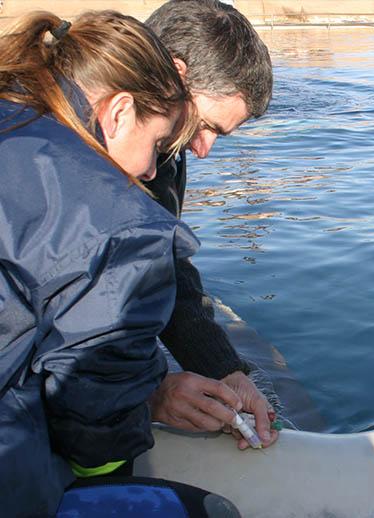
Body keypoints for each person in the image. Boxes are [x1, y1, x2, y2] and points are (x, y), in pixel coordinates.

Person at [0, 10, 239, 516]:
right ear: (120, 110)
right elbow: (94, 415)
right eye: (157, 145)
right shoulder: (111, 217)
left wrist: (219, 369)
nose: (154, 169)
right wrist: (146, 399)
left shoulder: (18, 116)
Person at [142, 0, 280, 450]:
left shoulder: (161, 154)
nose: (203, 150)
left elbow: (164, 273)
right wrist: (147, 392)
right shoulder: (42, 156)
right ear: (177, 76)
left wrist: (227, 371)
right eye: (207, 126)